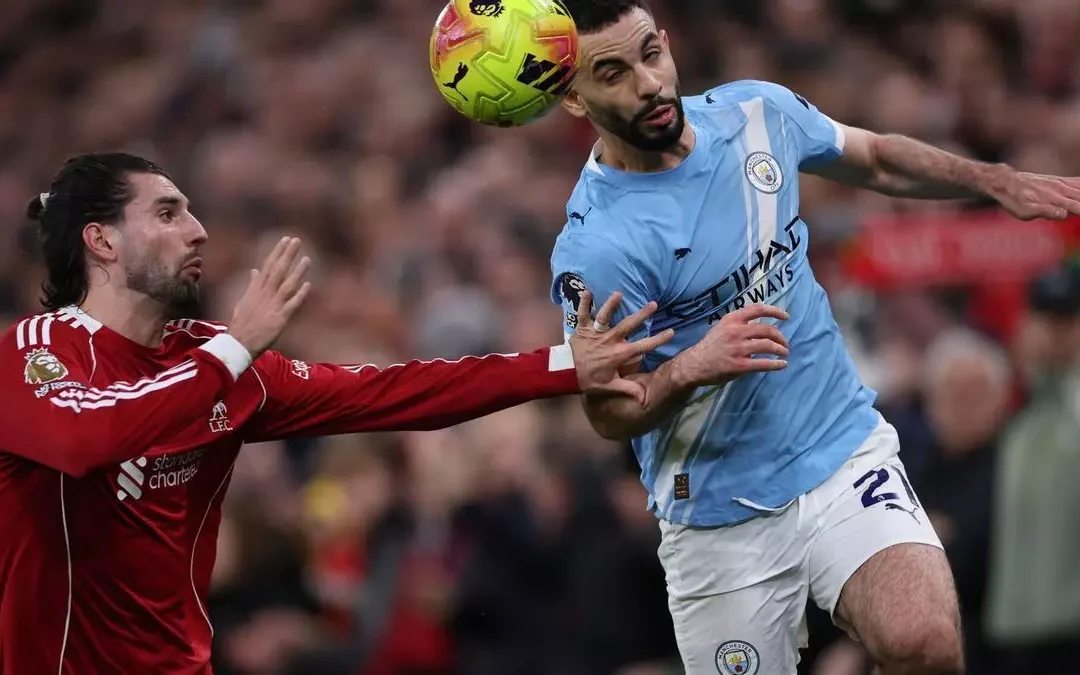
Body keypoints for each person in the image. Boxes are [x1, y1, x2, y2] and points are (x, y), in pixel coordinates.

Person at [0, 152, 746, 674]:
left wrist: (562, 364)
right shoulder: (33, 356)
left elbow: (390, 392)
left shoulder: (213, 362)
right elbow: (88, 437)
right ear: (101, 240)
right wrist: (236, 349)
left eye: (192, 209)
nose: (197, 229)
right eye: (167, 212)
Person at [549, 1, 1080, 673]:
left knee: (924, 641)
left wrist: (996, 181)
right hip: (718, 513)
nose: (649, 83)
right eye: (612, 72)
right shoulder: (598, 246)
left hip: (839, 450)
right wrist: (692, 366)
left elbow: (877, 159)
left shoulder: (756, 116)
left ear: (668, 43)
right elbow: (608, 411)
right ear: (574, 98)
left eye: (650, 55)